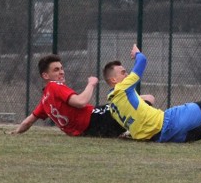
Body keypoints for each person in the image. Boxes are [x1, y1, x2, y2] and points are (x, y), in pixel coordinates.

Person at [12, 54, 155, 138]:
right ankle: (142, 130)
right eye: (56, 70)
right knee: (148, 98)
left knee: (144, 99)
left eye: (61, 68)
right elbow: (80, 102)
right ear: (45, 75)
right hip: (96, 122)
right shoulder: (54, 86)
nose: (61, 72)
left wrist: (15, 133)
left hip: (91, 125)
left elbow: (27, 122)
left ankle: (133, 130)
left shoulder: (45, 101)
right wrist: (91, 84)